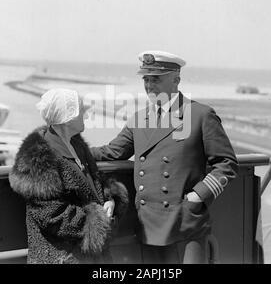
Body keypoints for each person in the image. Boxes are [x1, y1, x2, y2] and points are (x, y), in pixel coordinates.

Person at [90, 51, 238, 264]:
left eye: (156, 79)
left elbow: (226, 164)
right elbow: (112, 152)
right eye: (146, 79)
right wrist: (70, 149)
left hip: (184, 222)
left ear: (176, 79)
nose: (149, 85)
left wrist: (198, 196)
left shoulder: (199, 115)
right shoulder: (140, 118)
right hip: (148, 224)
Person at [9, 88, 128, 264]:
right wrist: (96, 221)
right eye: (81, 111)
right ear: (67, 117)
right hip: (59, 257)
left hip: (87, 255)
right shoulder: (37, 159)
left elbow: (93, 184)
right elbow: (50, 214)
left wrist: (109, 199)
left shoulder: (77, 146)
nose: (86, 116)